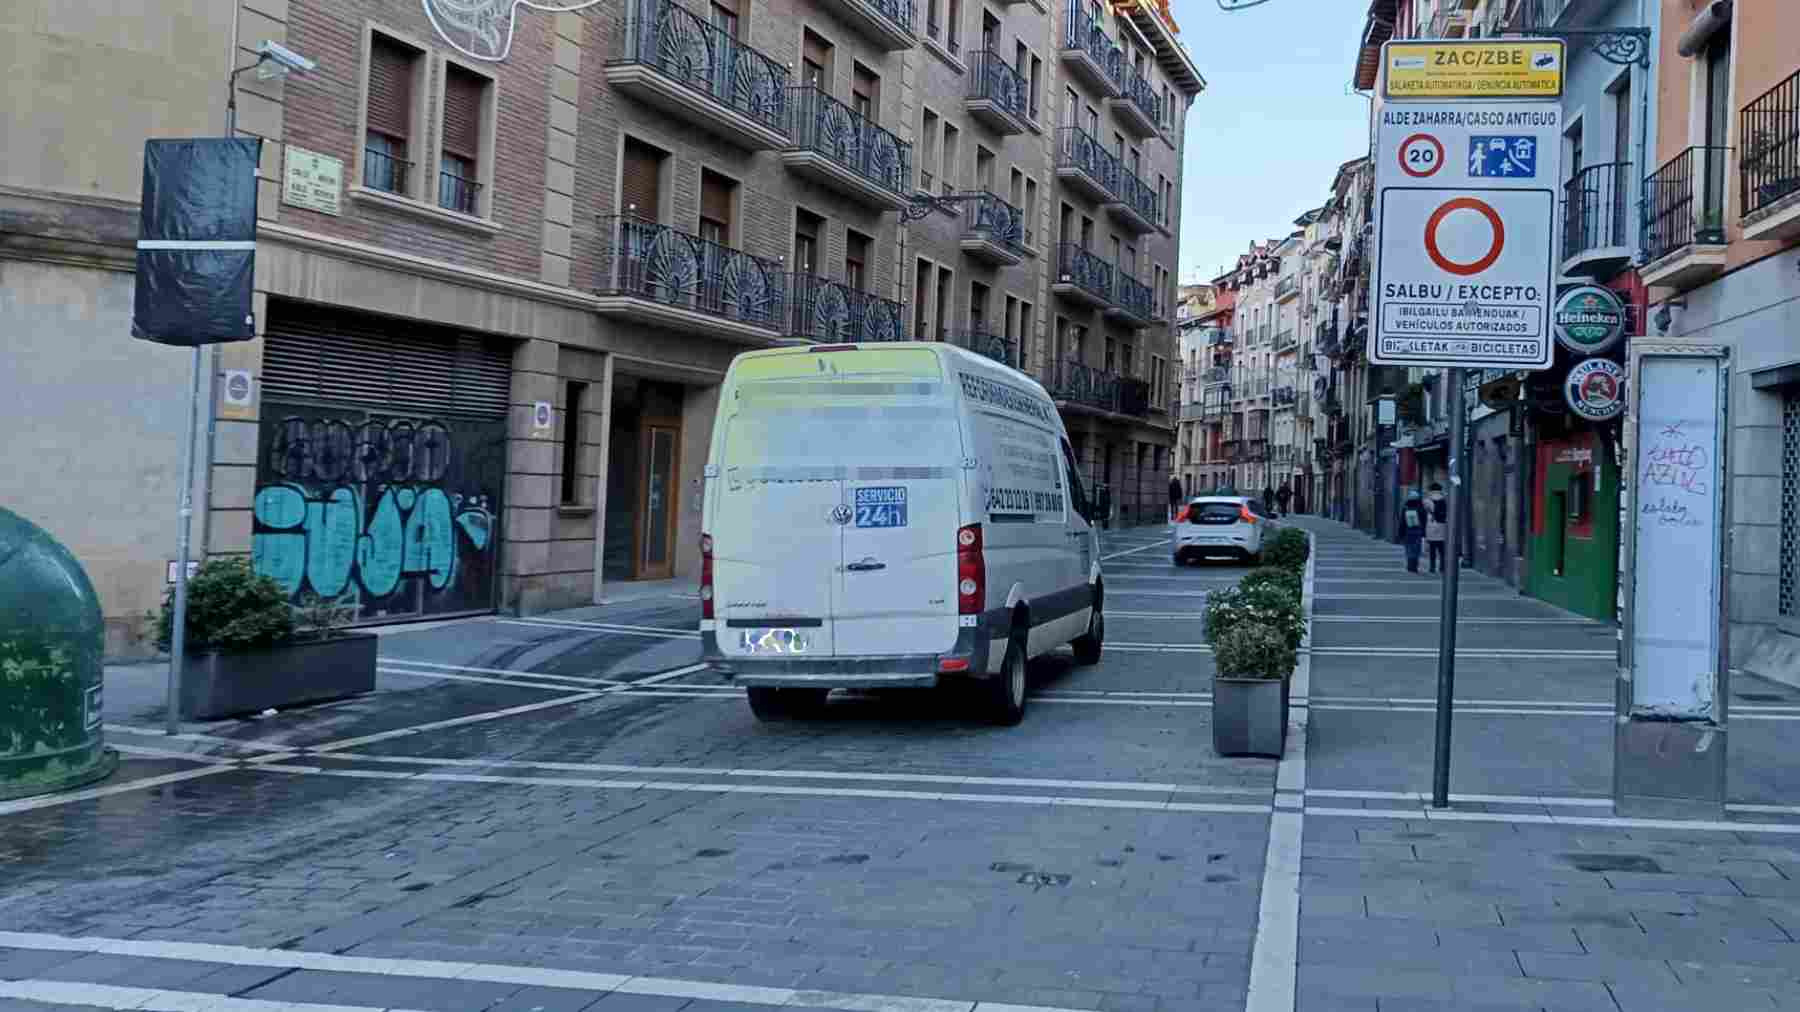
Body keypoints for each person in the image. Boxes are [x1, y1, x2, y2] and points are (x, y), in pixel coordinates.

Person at [1425, 482, 1448, 573]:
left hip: (1431, 526)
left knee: (1432, 550)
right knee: (1442, 550)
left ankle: (1432, 567)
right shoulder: (1444, 500)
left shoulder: (1427, 500)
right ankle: (1442, 567)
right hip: (1442, 526)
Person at [1401, 490, 1426, 573]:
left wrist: (1400, 533)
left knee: (1409, 548)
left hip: (1408, 530)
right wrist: (1424, 533)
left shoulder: (1405, 508)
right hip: (1418, 530)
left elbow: (1402, 522)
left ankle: (1410, 565)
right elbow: (1424, 521)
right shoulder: (1421, 508)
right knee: (1416, 549)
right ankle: (1414, 566)